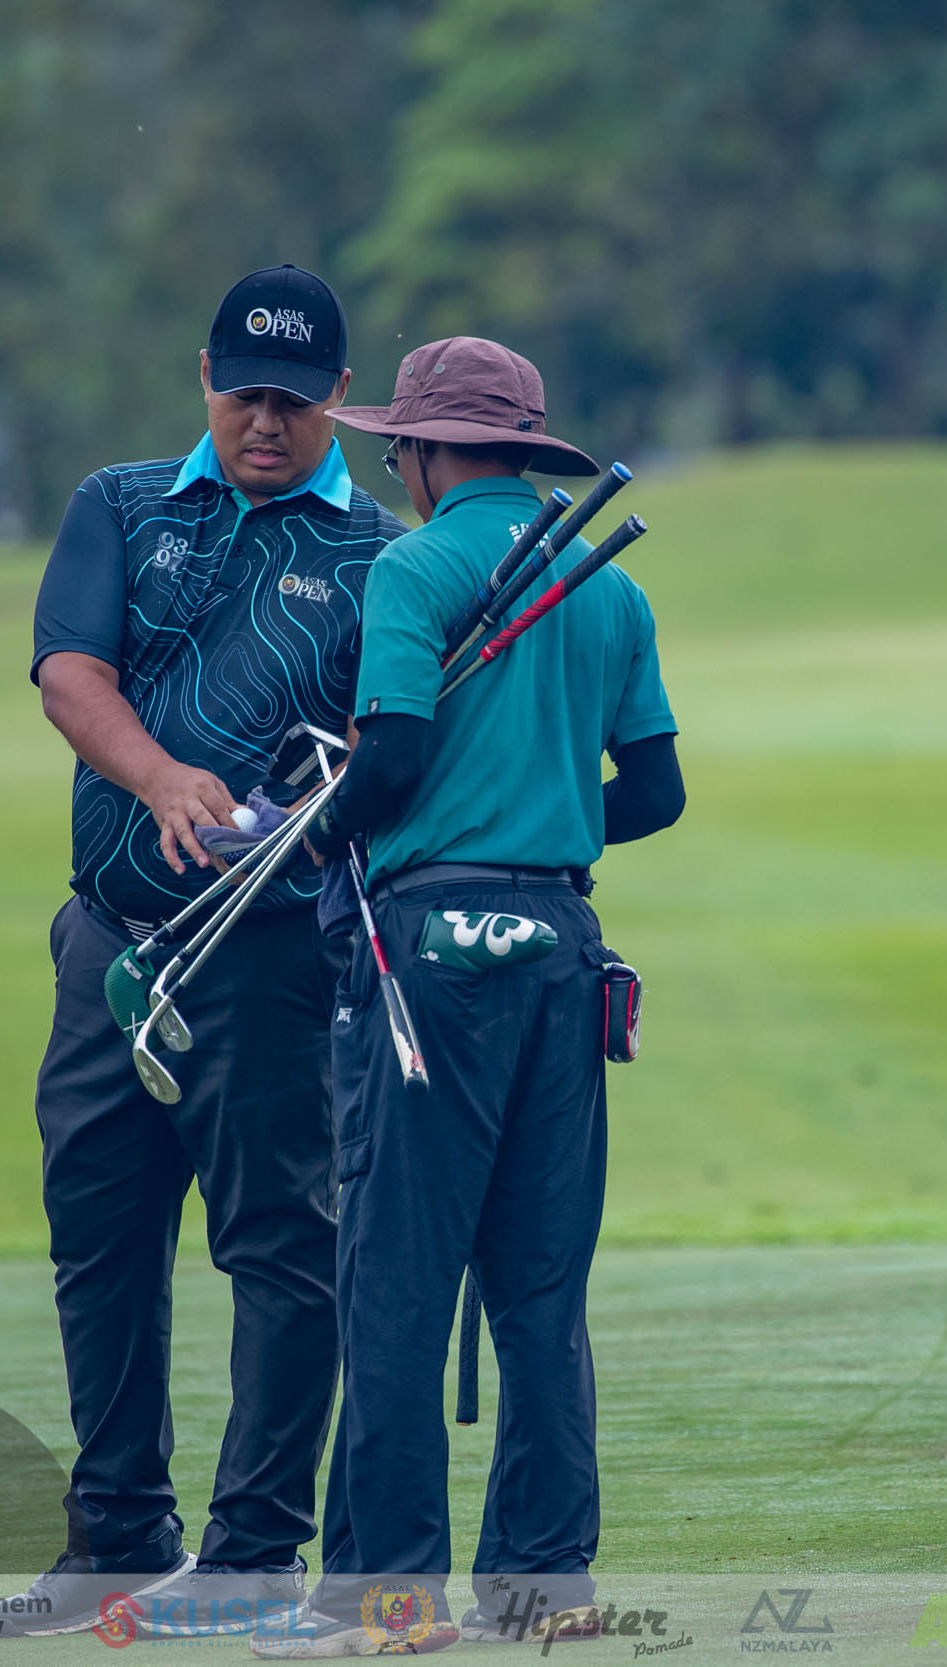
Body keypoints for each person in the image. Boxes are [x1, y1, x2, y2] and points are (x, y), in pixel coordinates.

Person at [253, 337, 684, 1657]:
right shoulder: (607, 586)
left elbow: (386, 765)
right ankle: (545, 1591)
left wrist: (316, 834)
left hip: (426, 954)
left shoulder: (415, 567)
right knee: (540, 1291)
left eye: (402, 449)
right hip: (559, 948)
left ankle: (387, 1602)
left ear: (431, 453)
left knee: (396, 1287)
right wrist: (545, 813)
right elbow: (657, 793)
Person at [3, 265, 406, 1640]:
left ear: (340, 397)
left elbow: (392, 750)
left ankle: (250, 1555)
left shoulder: (382, 557)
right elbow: (71, 676)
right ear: (204, 377)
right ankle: (117, 1536)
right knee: (99, 1236)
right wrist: (165, 778)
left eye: (294, 400)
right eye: (244, 395)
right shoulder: (121, 506)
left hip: (273, 963)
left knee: (281, 1250)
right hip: (111, 946)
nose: (266, 423)